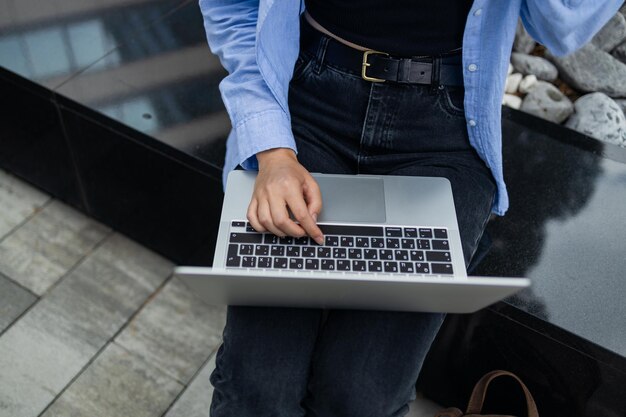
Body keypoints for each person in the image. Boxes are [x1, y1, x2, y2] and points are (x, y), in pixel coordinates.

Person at [199, 1, 622, 416]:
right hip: (305, 101)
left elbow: (561, 24)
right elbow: (232, 7)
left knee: (361, 397)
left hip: (448, 126)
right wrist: (272, 149)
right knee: (256, 390)